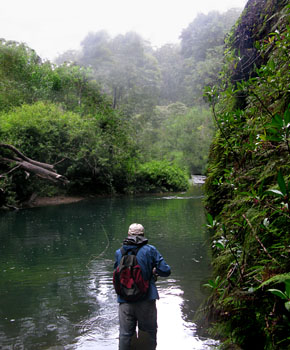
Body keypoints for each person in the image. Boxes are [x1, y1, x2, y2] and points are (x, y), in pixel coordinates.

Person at [114, 223, 171, 350]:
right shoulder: (150, 250)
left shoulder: (119, 252)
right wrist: (154, 271)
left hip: (125, 301)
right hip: (146, 299)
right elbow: (166, 271)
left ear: (128, 235)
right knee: (149, 333)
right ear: (143, 235)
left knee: (125, 335)